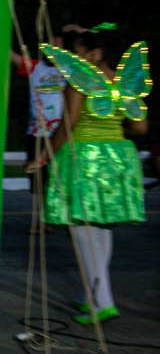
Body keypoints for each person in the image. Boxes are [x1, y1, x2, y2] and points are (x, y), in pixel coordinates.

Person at [26, 30, 149, 325]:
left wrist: (43, 156)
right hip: (117, 158)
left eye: (78, 52)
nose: (73, 59)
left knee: (83, 230)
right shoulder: (123, 84)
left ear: (95, 54)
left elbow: (68, 124)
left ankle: (102, 302)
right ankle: (89, 295)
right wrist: (111, 129)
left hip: (84, 157)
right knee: (100, 229)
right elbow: (140, 128)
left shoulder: (79, 82)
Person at [10, 34, 65, 231]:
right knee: (39, 179)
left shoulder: (72, 70)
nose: (52, 49)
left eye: (57, 45)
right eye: (49, 45)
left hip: (62, 132)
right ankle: (43, 221)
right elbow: (13, 58)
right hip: (37, 132)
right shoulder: (35, 67)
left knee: (63, 176)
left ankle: (69, 219)